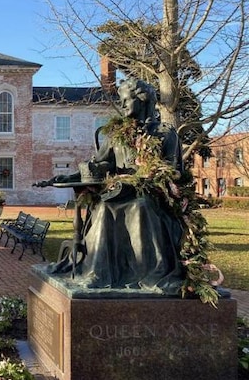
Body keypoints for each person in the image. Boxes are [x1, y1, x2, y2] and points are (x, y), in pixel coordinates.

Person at [37, 78, 185, 293]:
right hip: (119, 194)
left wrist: (148, 177)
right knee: (104, 208)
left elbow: (174, 171)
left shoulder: (165, 134)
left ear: (142, 100)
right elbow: (97, 164)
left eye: (126, 100)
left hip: (153, 198)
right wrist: (68, 177)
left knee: (140, 206)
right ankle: (97, 273)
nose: (122, 105)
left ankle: (149, 272)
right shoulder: (117, 135)